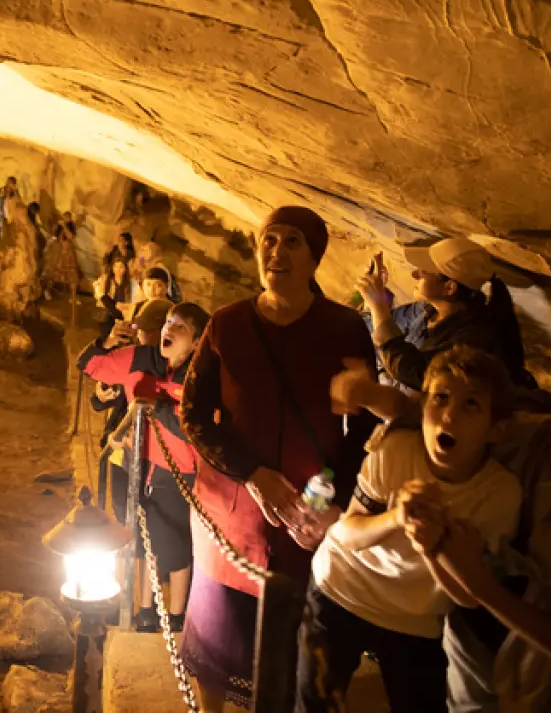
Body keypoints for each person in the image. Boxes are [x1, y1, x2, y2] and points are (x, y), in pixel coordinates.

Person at [333, 353, 551, 712]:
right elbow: (443, 418)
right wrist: (371, 395)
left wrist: (479, 582)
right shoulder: (534, 440)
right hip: (473, 654)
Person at [179, 206, 378, 712]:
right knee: (218, 637)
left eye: (293, 242)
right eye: (270, 239)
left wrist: (328, 492)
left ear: (314, 259)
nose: (277, 251)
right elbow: (194, 412)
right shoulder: (226, 325)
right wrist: (251, 473)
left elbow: (361, 429)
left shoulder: (344, 330)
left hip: (303, 522)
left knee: (290, 645)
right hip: (228, 516)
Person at [298, 346, 523, 713]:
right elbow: (345, 533)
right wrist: (395, 517)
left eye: (471, 405)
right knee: (314, 703)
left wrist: (434, 547)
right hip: (341, 586)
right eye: (441, 398)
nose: (448, 415)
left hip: (414, 618)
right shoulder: (397, 451)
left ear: (496, 428)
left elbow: (468, 596)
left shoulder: (499, 496)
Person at [77, 301, 206, 632]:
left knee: (176, 545)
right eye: (168, 322)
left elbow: (199, 427)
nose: (169, 329)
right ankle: (146, 610)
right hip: (137, 466)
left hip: (179, 472)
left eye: (180, 327)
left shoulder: (201, 375)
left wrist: (157, 407)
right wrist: (105, 343)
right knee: (141, 541)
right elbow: (89, 365)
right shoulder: (141, 358)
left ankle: (176, 616)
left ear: (196, 342)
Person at [356, 238, 535, 393]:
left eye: (424, 273)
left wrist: (379, 307)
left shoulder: (473, 338)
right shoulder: (428, 311)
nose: (414, 274)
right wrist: (377, 297)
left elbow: (418, 374)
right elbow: (377, 326)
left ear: (449, 287)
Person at [43, 216, 80, 299]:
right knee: (54, 274)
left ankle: (73, 297)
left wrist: (65, 226)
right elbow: (54, 237)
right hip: (60, 253)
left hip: (69, 253)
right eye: (65, 216)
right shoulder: (59, 227)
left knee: (73, 275)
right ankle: (46, 290)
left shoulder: (70, 226)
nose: (66, 218)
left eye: (68, 216)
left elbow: (71, 236)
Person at [96, 258, 139, 325]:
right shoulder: (106, 280)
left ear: (125, 269)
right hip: (108, 311)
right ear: (112, 268)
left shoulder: (131, 283)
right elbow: (99, 295)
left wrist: (124, 307)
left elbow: (135, 300)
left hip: (123, 310)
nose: (118, 270)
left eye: (121, 267)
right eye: (115, 266)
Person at [0, 176, 19, 250]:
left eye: (10, 183)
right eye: (8, 182)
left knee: (7, 238)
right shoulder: (1, 191)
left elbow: (17, 202)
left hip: (10, 219)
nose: (8, 184)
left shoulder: (14, 193)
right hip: (0, 217)